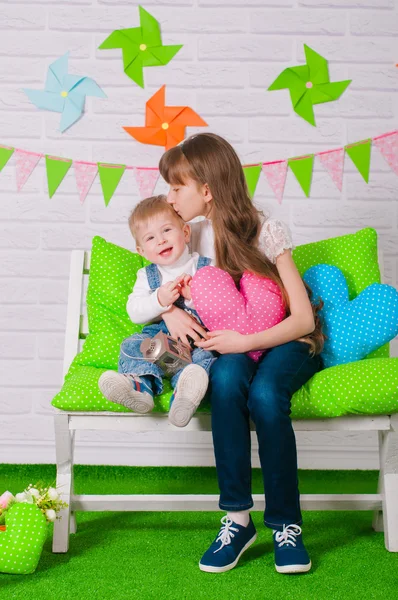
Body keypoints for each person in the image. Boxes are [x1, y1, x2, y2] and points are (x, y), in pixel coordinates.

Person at [158, 133, 324, 574]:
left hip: (288, 340)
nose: (169, 197)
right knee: (227, 380)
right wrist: (171, 311)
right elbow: (157, 274)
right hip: (233, 347)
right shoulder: (188, 239)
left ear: (207, 189)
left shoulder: (264, 230)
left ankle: (287, 524)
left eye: (177, 187)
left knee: (266, 397)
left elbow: (304, 319)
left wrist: (245, 342)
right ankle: (237, 519)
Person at [98, 195, 216, 428]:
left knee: (208, 360)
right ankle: (141, 387)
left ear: (185, 233)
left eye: (166, 230)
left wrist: (196, 297)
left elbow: (222, 307)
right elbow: (134, 311)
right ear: (141, 251)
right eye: (151, 238)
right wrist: (160, 301)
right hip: (158, 345)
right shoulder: (147, 276)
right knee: (133, 343)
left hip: (196, 341)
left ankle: (184, 396)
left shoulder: (205, 267)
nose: (160, 241)